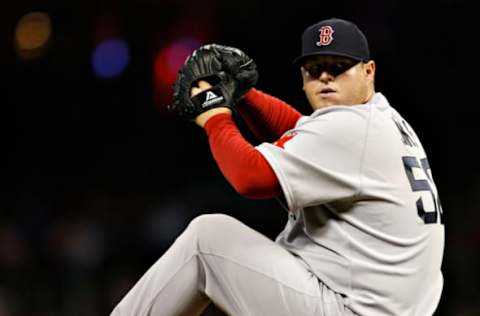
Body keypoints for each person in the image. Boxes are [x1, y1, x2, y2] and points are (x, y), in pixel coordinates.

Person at [111, 18, 444, 315]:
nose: (326, 75)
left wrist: (214, 115)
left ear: (368, 71)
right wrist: (244, 95)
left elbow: (251, 178)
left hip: (348, 307)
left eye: (339, 66)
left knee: (206, 239)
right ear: (302, 76)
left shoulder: (351, 128)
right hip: (373, 303)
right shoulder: (382, 120)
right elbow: (301, 131)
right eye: (315, 68)